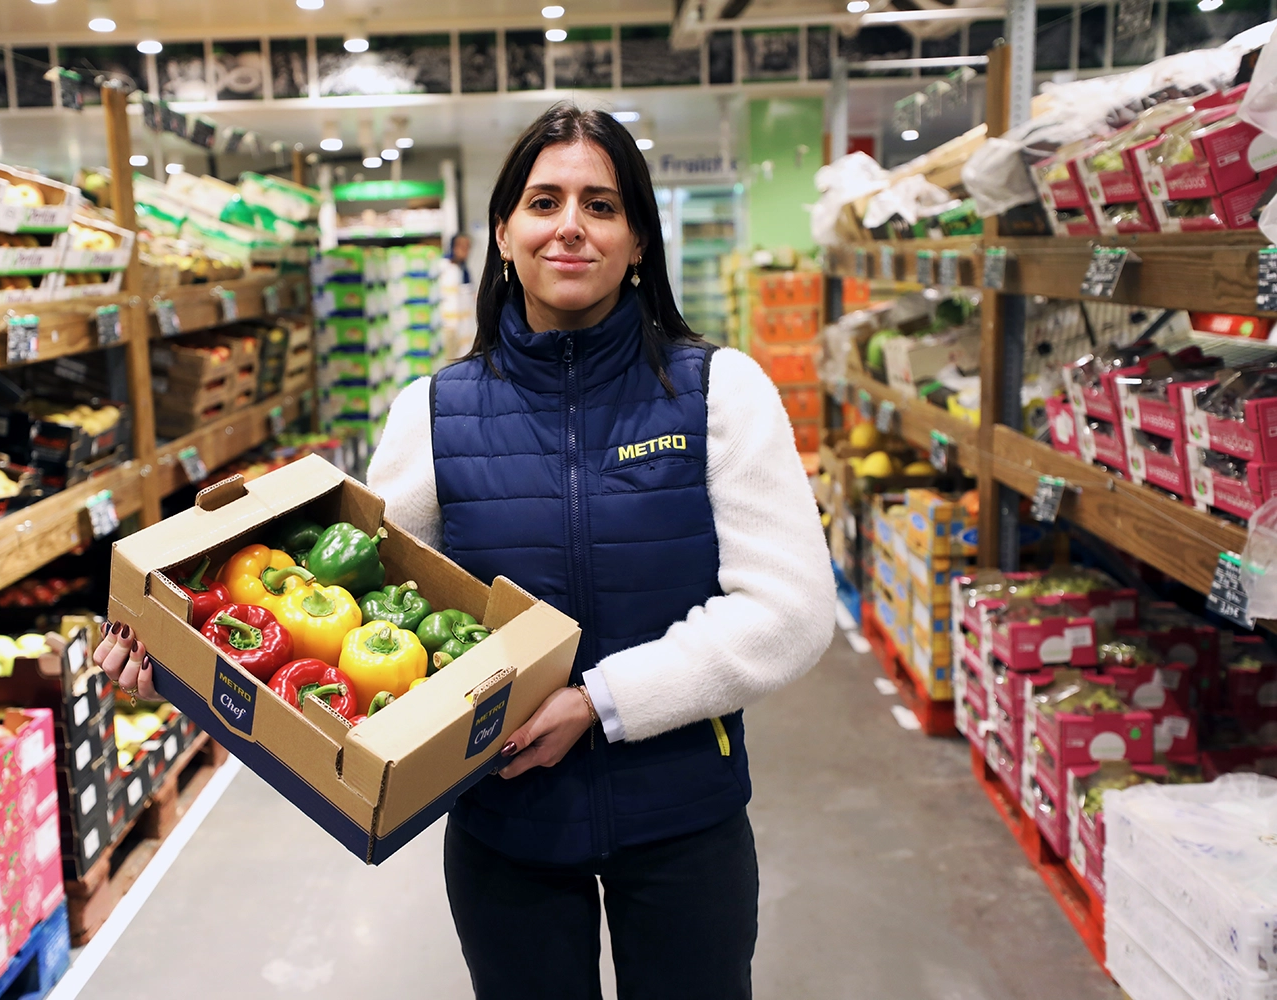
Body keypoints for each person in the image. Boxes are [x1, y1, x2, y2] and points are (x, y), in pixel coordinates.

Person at [96, 103, 834, 1000]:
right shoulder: (433, 414)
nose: (571, 226)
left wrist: (598, 701)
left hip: (685, 818)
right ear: (503, 233)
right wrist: (182, 662)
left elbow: (789, 613)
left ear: (639, 238)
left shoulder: (719, 394)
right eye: (544, 201)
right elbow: (365, 623)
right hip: (504, 822)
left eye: (601, 206)